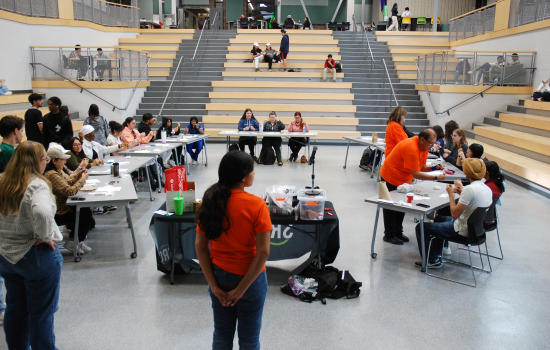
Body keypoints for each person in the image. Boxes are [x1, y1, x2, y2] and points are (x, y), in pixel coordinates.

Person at [195, 151, 271, 350]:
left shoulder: (209, 201)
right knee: (249, 339)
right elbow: (263, 252)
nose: (254, 174)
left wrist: (214, 285)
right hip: (251, 280)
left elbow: (200, 247)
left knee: (221, 334)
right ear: (244, 177)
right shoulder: (257, 205)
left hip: (218, 276)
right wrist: (241, 290)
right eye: (253, 171)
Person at [0, 141, 63, 349]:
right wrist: (47, 235)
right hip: (34, 256)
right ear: (37, 162)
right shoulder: (36, 185)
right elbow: (43, 213)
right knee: (41, 314)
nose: (46, 163)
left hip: (8, 257)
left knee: (15, 311)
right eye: (44, 159)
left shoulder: (2, 181)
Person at [414, 158, 492, 268]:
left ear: (466, 172)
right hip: (476, 231)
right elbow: (472, 203)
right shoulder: (487, 189)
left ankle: (431, 260)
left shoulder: (469, 189)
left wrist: (451, 194)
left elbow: (454, 214)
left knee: (420, 227)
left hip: (462, 231)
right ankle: (438, 253)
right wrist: (462, 194)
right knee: (440, 218)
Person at [379, 129, 447, 245]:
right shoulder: (411, 148)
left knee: (403, 205)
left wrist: (434, 168)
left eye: (433, 143)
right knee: (390, 206)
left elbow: (420, 167)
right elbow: (416, 174)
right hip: (390, 176)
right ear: (422, 139)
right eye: (430, 143)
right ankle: (389, 234)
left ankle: (398, 232)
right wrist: (435, 178)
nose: (432, 146)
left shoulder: (423, 147)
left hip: (404, 179)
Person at [44, 144, 93, 254]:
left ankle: (76, 240)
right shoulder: (51, 174)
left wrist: (79, 175)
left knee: (85, 210)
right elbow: (69, 190)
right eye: (62, 160)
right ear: (54, 161)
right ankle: (73, 241)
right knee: (85, 214)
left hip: (64, 207)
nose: (65, 162)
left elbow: (68, 181)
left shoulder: (58, 171)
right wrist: (82, 180)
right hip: (59, 212)